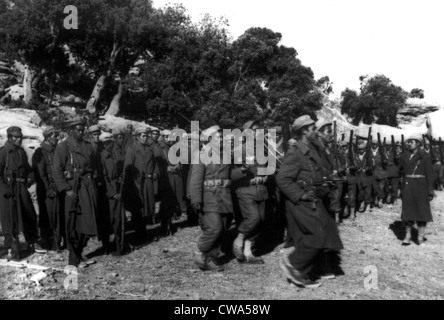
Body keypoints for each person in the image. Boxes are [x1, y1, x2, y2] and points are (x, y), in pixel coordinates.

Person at [276, 116, 343, 288]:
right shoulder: (296, 152)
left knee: (324, 231)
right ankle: (293, 264)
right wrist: (300, 195)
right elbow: (282, 179)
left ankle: (301, 275)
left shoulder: (309, 150)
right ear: (304, 131)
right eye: (313, 129)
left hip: (312, 198)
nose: (316, 131)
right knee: (317, 235)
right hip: (301, 201)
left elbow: (312, 174)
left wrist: (325, 181)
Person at [52, 117, 98, 267]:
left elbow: (93, 165)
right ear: (71, 130)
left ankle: (79, 253)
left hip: (87, 186)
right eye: (77, 129)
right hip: (73, 188)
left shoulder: (87, 145)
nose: (81, 132)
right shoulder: (63, 147)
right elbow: (56, 171)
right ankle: (73, 260)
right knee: (73, 225)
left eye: (82, 129)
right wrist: (66, 189)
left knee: (87, 222)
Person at [190, 125, 233, 271]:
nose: (221, 138)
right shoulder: (201, 154)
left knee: (223, 227)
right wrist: (196, 199)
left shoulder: (225, 154)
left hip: (225, 197)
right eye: (218, 136)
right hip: (209, 197)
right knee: (215, 227)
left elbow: (231, 174)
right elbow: (195, 178)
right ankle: (200, 250)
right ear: (210, 139)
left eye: (221, 136)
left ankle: (212, 256)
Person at [0, 126, 39, 260]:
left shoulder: (21, 152)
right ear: (10, 138)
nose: (18, 140)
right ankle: (10, 248)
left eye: (20, 137)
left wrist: (30, 177)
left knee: (29, 214)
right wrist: (5, 190)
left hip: (21, 187)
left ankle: (31, 243)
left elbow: (28, 169)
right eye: (15, 137)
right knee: (10, 219)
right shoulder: (3, 152)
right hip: (8, 190)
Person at [231, 123, 268, 264]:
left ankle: (248, 252)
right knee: (254, 218)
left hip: (261, 191)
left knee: (260, 222)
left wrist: (263, 177)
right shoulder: (236, 152)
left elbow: (265, 171)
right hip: (245, 191)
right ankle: (238, 240)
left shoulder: (262, 151)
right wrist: (243, 171)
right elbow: (231, 174)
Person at [123, 127, 159, 242]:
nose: (145, 138)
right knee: (138, 210)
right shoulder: (132, 150)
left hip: (148, 183)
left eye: (146, 136)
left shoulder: (149, 149)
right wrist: (132, 185)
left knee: (147, 208)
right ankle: (140, 236)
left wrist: (155, 174)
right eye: (143, 136)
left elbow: (155, 165)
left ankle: (144, 234)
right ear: (137, 137)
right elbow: (127, 169)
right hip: (137, 185)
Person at [400, 134, 435, 246]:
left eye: (412, 141)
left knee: (421, 211)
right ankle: (408, 235)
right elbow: (401, 173)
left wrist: (430, 190)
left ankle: (420, 237)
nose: (409, 143)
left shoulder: (425, 156)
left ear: (418, 143)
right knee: (408, 211)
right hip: (408, 186)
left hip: (421, 187)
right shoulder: (405, 156)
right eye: (408, 141)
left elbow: (430, 174)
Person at [32, 126, 63, 251]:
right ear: (48, 137)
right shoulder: (40, 152)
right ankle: (48, 242)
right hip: (46, 190)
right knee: (48, 216)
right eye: (55, 136)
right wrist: (49, 189)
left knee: (58, 214)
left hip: (58, 187)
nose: (57, 138)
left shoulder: (57, 150)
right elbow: (41, 174)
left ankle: (58, 241)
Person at [100, 133, 127, 255]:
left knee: (118, 218)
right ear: (106, 144)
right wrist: (113, 193)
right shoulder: (102, 158)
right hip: (108, 194)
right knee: (109, 220)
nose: (113, 145)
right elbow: (104, 178)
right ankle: (107, 245)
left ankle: (119, 244)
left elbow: (114, 174)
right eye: (110, 143)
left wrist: (119, 179)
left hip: (116, 190)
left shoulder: (112, 155)